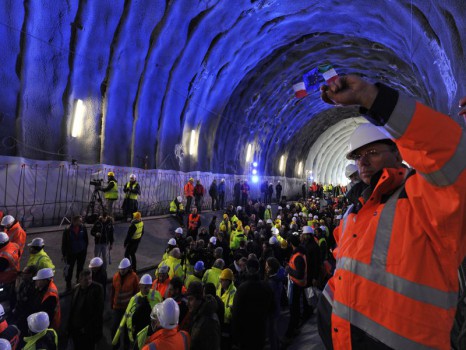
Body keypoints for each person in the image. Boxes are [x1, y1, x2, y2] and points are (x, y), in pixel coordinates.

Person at [317, 74, 466, 349]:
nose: (363, 162)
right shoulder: (353, 213)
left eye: (372, 152)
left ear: (398, 154)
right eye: (357, 156)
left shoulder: (422, 198)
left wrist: (373, 99)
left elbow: (444, 153)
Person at [231, 258, 274, 350]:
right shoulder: (266, 286)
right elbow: (272, 308)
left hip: (245, 331)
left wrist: (235, 337)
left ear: (246, 269)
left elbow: (236, 313)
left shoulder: (242, 288)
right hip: (261, 328)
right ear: (258, 269)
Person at [113, 274, 161, 346]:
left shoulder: (157, 295)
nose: (147, 289)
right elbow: (125, 317)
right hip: (139, 331)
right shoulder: (135, 299)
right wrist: (116, 339)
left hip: (152, 332)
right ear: (140, 286)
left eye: (149, 286)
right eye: (144, 286)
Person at [67, 268, 104, 349]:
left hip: (88, 330)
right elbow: (73, 308)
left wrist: (87, 328)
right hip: (76, 328)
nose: (88, 281)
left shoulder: (97, 289)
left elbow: (98, 311)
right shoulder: (76, 289)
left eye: (90, 278)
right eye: (86, 279)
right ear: (80, 279)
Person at [284, 233, 310, 343]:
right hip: (297, 284)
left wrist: (288, 269)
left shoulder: (298, 256)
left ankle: (290, 333)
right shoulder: (299, 254)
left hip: (296, 284)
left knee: (293, 309)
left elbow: (299, 274)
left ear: (291, 244)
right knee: (295, 308)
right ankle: (294, 328)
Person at [182, 281, 220, 350]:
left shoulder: (209, 322)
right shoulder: (196, 314)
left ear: (199, 299)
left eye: (190, 299)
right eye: (187, 299)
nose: (187, 304)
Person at [111, 258, 139, 350]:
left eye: (123, 269)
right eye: (120, 269)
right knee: (114, 327)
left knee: (127, 330)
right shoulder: (115, 277)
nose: (122, 271)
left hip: (128, 308)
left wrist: (134, 306)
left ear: (128, 268)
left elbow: (136, 291)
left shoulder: (134, 277)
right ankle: (116, 345)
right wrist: (112, 304)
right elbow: (113, 291)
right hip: (117, 308)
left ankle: (126, 346)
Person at [61, 215, 88, 290]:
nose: (81, 221)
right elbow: (64, 243)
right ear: (74, 221)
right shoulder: (67, 230)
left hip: (81, 252)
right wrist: (64, 254)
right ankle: (68, 283)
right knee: (70, 268)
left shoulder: (83, 228)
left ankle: (78, 281)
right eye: (80, 220)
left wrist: (85, 249)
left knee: (80, 268)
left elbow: (86, 239)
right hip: (71, 253)